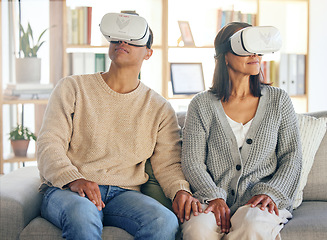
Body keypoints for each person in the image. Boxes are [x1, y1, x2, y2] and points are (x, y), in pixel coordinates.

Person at [37, 12, 199, 240]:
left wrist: (180, 190)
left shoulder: (160, 108)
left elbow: (169, 163)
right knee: (82, 213)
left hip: (124, 195)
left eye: (133, 39)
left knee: (164, 221)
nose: (123, 42)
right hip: (67, 190)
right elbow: (49, 143)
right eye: (117, 37)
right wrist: (74, 178)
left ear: (148, 53)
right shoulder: (72, 88)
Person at [181, 22, 302, 240]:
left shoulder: (279, 100)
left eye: (257, 47)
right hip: (212, 199)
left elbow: (292, 157)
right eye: (245, 47)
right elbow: (192, 161)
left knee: (252, 226)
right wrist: (214, 197)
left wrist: (270, 193)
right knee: (198, 230)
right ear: (225, 56)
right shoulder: (201, 105)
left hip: (261, 201)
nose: (254, 54)